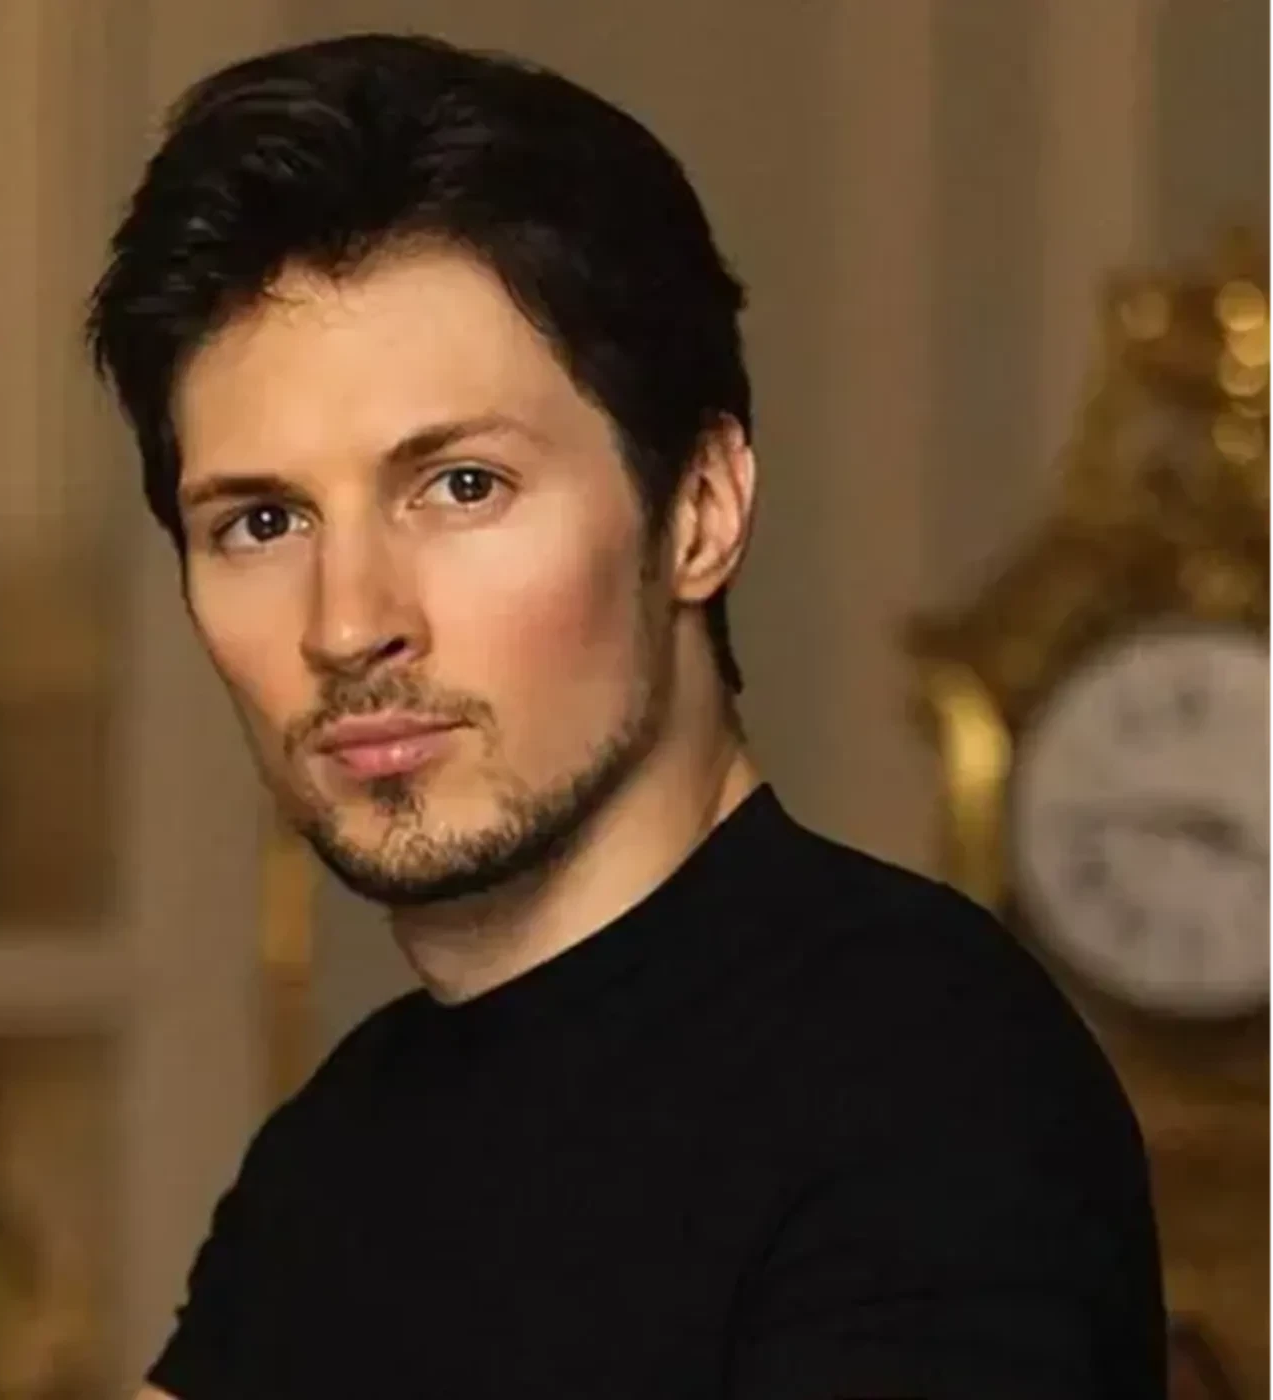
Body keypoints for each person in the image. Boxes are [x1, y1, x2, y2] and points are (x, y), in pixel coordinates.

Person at [85, 31, 1166, 1400]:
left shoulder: (921, 1080)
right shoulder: (330, 1154)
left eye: (461, 486)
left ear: (700, 511)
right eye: (261, 521)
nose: (347, 622)